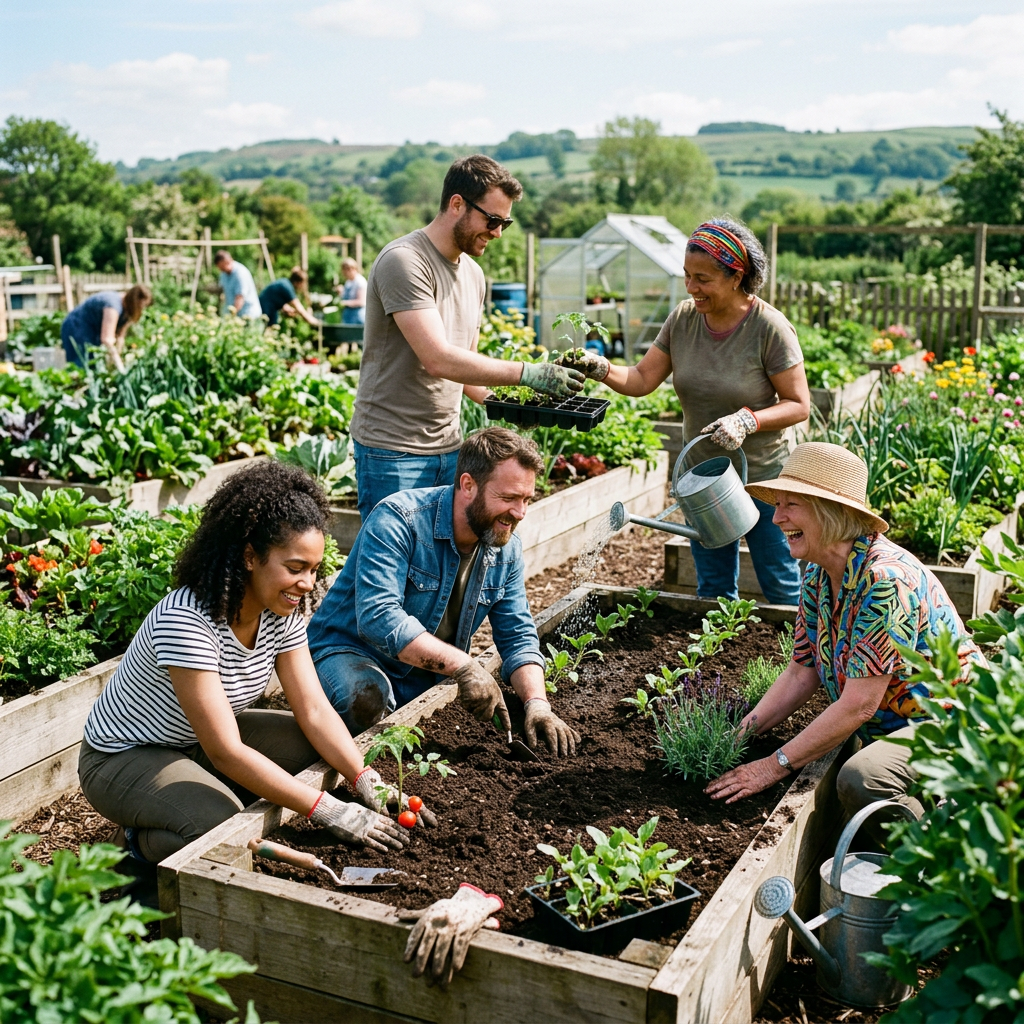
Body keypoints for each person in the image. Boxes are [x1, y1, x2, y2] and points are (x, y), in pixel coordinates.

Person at [79, 461, 428, 881]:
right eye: (295, 568)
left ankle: (187, 806)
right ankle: (132, 849)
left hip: (196, 742)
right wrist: (327, 809)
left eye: (313, 570)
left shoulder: (279, 612)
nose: (306, 583)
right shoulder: (187, 621)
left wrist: (365, 778)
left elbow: (314, 709)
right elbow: (226, 750)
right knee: (221, 824)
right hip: (124, 756)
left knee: (316, 754)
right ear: (250, 557)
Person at [704, 443, 985, 841]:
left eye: (791, 505)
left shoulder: (885, 581)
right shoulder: (819, 577)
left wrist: (774, 765)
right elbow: (801, 673)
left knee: (861, 779)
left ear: (830, 511)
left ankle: (937, 856)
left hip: (952, 723)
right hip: (895, 726)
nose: (776, 517)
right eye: (777, 503)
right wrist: (739, 735)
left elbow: (859, 705)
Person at [560, 218, 810, 606]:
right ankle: (715, 664)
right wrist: (601, 367)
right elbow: (643, 379)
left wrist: (748, 420)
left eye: (703, 279)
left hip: (764, 480)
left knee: (780, 586)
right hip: (703, 478)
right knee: (711, 591)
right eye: (687, 276)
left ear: (735, 276)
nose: (692, 288)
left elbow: (799, 404)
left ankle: (797, 664)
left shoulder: (769, 328)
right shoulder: (683, 319)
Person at [308, 427, 579, 756]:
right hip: (348, 653)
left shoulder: (504, 548)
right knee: (367, 698)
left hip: (422, 672)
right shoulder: (398, 520)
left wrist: (537, 704)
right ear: (467, 485)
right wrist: (463, 666)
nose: (520, 513)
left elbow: (518, 634)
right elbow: (380, 618)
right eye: (508, 498)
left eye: (526, 500)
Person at [350, 154, 584, 522]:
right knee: (389, 567)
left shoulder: (474, 275)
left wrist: (518, 406)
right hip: (393, 452)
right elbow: (438, 359)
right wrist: (526, 372)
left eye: (504, 222)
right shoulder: (406, 261)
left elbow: (465, 368)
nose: (497, 233)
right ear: (457, 204)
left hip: (449, 448)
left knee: (435, 565)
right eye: (492, 220)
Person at [60, 284, 152, 371]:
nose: (142, 310)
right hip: (77, 326)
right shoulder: (112, 306)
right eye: (141, 306)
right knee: (82, 363)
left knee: (94, 362)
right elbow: (107, 339)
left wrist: (115, 362)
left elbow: (120, 337)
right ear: (134, 302)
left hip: (92, 329)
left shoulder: (127, 311)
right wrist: (120, 367)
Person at [215, 250, 261, 320]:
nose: (221, 270)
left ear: (228, 261)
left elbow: (240, 297)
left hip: (249, 315)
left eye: (223, 267)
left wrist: (232, 316)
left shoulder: (240, 273)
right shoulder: (224, 274)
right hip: (236, 314)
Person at [338, 257, 367, 325]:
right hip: (348, 317)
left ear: (351, 269)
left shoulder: (360, 281)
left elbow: (361, 302)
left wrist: (345, 303)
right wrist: (341, 293)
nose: (344, 273)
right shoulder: (348, 282)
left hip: (358, 318)